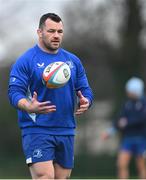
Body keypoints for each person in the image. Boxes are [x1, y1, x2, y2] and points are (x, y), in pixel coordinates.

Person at [8, 13, 93, 179]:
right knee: (45, 176)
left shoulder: (73, 61)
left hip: (66, 129)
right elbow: (14, 92)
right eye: (51, 31)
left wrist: (86, 101)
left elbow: (86, 89)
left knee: (61, 178)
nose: (56, 35)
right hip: (37, 129)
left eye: (60, 32)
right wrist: (28, 106)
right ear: (40, 32)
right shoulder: (26, 60)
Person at [102, 77, 146, 179]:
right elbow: (120, 120)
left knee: (141, 165)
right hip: (128, 138)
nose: (128, 93)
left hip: (141, 138)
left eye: (130, 91)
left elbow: (143, 119)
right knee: (121, 164)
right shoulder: (127, 103)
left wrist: (127, 122)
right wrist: (110, 132)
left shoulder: (145, 102)